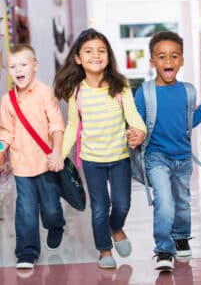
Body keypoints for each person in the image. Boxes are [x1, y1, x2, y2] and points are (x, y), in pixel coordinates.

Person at [130, 31, 201, 271]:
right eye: (161, 57)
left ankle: (181, 235)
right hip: (156, 157)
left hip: (182, 158)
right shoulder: (145, 91)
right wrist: (132, 133)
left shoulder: (188, 90)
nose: (168, 61)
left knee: (182, 202)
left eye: (174, 56)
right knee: (165, 202)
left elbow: (188, 121)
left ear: (181, 60)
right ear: (152, 61)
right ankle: (163, 248)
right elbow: (137, 122)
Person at [54, 28, 146, 269]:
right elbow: (73, 125)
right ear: (78, 58)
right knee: (99, 208)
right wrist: (59, 156)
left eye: (101, 50)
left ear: (109, 55)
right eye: (88, 51)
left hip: (119, 157)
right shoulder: (76, 91)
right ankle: (104, 251)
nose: (96, 55)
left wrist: (140, 131)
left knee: (122, 203)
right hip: (92, 160)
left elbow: (133, 115)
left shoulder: (120, 85)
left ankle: (116, 228)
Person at [0, 44, 65, 269]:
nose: (18, 70)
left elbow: (57, 124)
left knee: (50, 207)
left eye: (23, 64)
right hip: (21, 164)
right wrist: (1, 149)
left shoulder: (44, 92)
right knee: (25, 208)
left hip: (46, 162)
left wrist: (57, 152)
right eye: (12, 66)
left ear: (35, 66)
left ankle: (56, 225)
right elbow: (6, 131)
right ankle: (27, 252)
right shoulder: (7, 100)